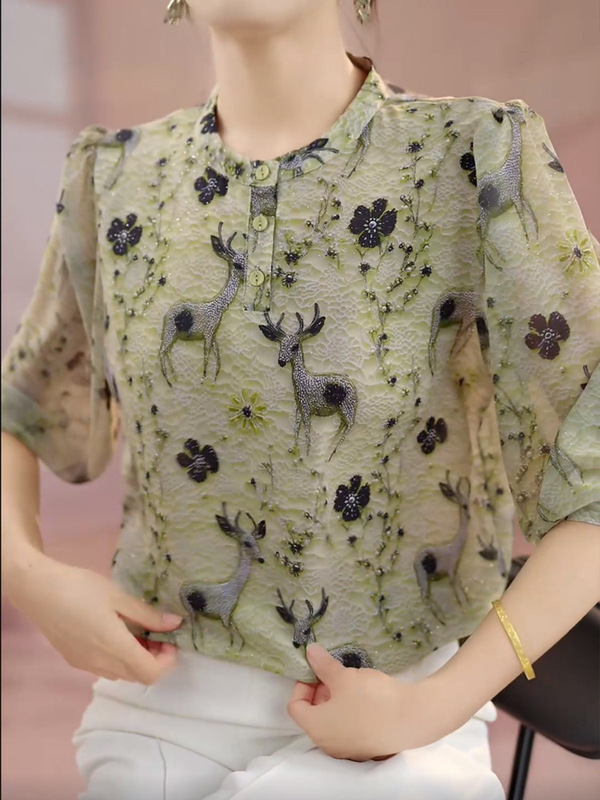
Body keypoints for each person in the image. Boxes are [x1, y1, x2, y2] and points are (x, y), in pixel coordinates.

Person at [2, 1, 599, 798]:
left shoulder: (474, 157)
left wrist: (432, 707)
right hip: (157, 724)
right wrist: (27, 576)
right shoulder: (113, 179)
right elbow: (21, 407)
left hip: (397, 739)